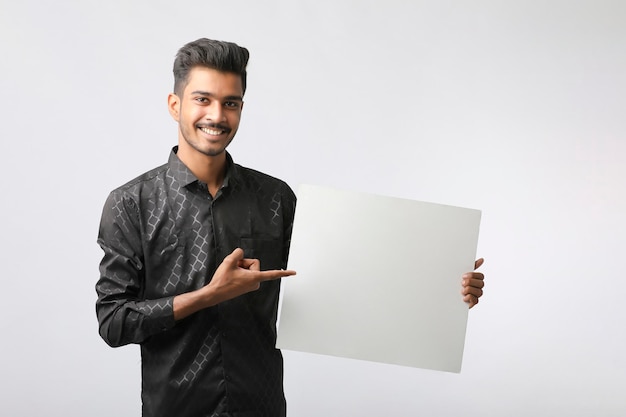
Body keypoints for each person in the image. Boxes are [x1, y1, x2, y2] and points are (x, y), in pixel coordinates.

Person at [96, 38, 486, 417]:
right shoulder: (132, 203)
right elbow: (114, 322)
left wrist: (444, 289)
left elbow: (339, 283)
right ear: (174, 104)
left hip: (261, 405)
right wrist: (209, 295)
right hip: (176, 408)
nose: (217, 116)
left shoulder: (274, 198)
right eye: (203, 99)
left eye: (230, 103)